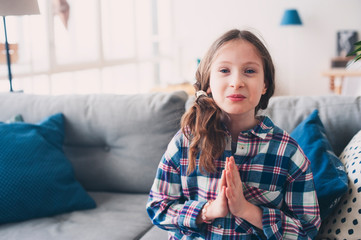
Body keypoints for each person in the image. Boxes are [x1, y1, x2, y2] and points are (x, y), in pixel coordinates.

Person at [146, 29, 321, 239]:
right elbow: (158, 207)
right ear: (209, 83)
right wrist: (208, 211)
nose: (236, 81)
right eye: (224, 70)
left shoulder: (288, 152)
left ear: (265, 84)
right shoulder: (185, 142)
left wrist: (247, 210)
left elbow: (308, 230)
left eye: (249, 71)